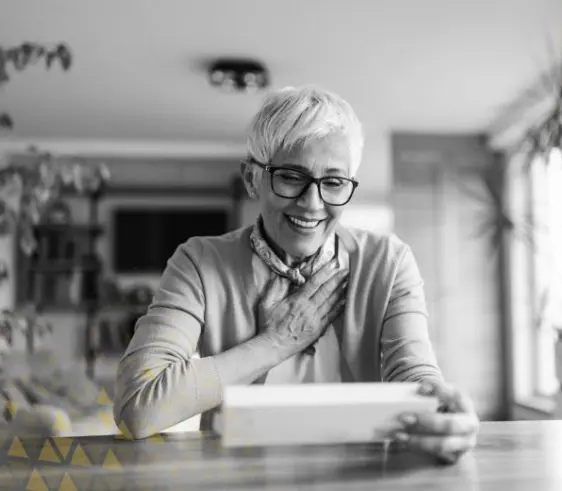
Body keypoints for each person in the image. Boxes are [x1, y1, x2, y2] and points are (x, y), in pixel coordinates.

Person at [113, 85, 479, 465]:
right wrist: (278, 341)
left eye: (333, 182)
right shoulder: (198, 262)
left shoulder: (388, 261)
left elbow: (414, 372)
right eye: (291, 176)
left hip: (360, 476)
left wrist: (443, 413)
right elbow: (137, 408)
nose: (312, 202)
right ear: (252, 179)